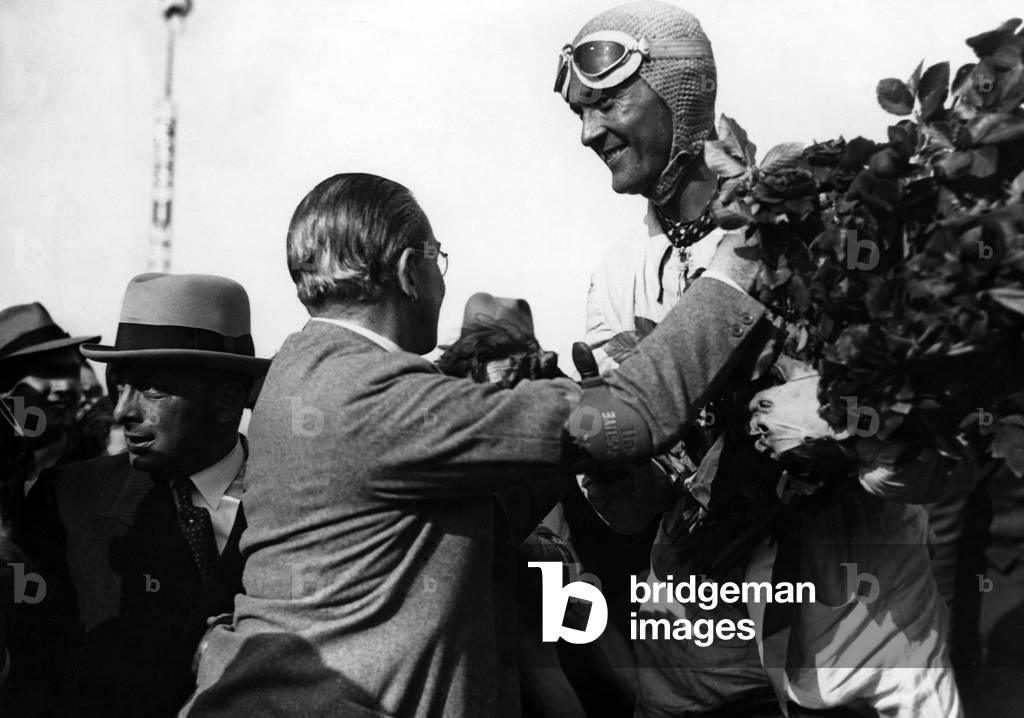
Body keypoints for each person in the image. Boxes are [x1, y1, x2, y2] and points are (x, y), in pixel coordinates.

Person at [183, 171, 769, 718]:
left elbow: (440, 535)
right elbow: (634, 414)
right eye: (438, 259)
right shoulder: (375, 392)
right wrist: (740, 262)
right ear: (411, 271)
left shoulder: (302, 369)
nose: (442, 277)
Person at [556, 3, 964, 716]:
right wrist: (616, 468)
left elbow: (936, 451)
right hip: (700, 653)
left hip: (864, 640)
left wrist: (845, 425)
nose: (590, 133)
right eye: (580, 114)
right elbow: (634, 511)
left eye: (608, 102)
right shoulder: (620, 276)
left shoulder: (818, 215)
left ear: (681, 95)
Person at [14, 273, 271, 717]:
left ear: (228, 402)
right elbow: (29, 669)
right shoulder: (66, 501)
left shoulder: (296, 508)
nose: (121, 411)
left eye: (151, 389)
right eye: (120, 385)